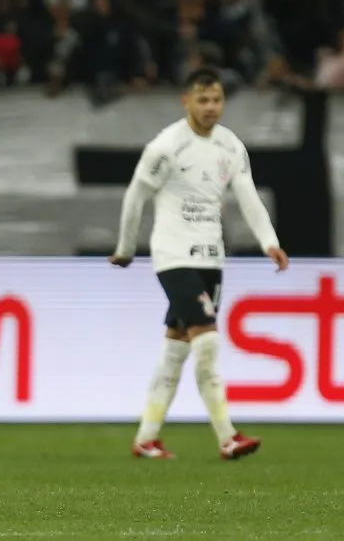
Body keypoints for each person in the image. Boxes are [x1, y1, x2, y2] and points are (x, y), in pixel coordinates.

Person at [109, 68, 289, 460]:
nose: (211, 107)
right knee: (207, 341)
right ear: (185, 101)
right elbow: (135, 197)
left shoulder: (230, 146)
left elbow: (248, 196)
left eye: (217, 100)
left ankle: (146, 438)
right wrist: (125, 248)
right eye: (203, 100)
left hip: (212, 256)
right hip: (173, 256)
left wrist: (269, 242)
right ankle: (228, 436)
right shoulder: (166, 147)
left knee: (176, 349)